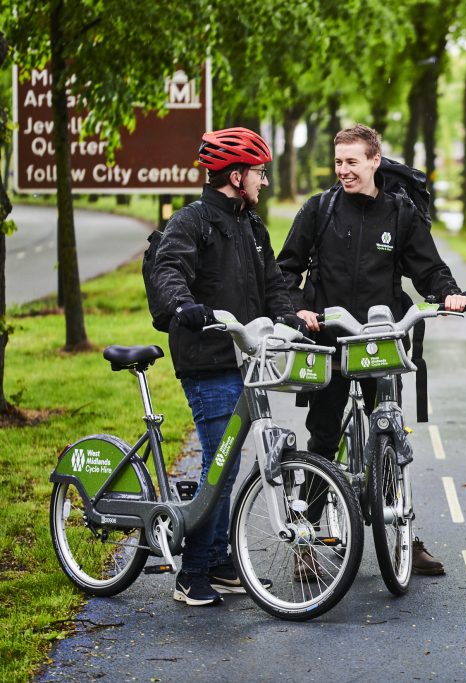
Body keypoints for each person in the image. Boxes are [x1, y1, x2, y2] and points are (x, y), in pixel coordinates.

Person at [277, 123, 466, 576]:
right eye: (338, 162)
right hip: (330, 342)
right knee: (322, 439)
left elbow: (429, 268)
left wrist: (450, 294)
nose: (344, 170)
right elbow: (285, 270)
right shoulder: (319, 210)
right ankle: (307, 537)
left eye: (352, 162)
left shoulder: (400, 214)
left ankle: (399, 528)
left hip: (381, 343)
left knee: (390, 437)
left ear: (374, 161)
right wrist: (298, 309)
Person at [150, 127, 298, 606]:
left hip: (246, 360)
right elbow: (169, 269)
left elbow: (272, 283)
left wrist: (290, 315)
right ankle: (191, 572)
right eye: (258, 173)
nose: (264, 182)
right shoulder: (191, 221)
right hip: (209, 359)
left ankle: (217, 560)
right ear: (236, 175)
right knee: (220, 461)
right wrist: (183, 306)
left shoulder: (252, 227)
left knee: (230, 465)